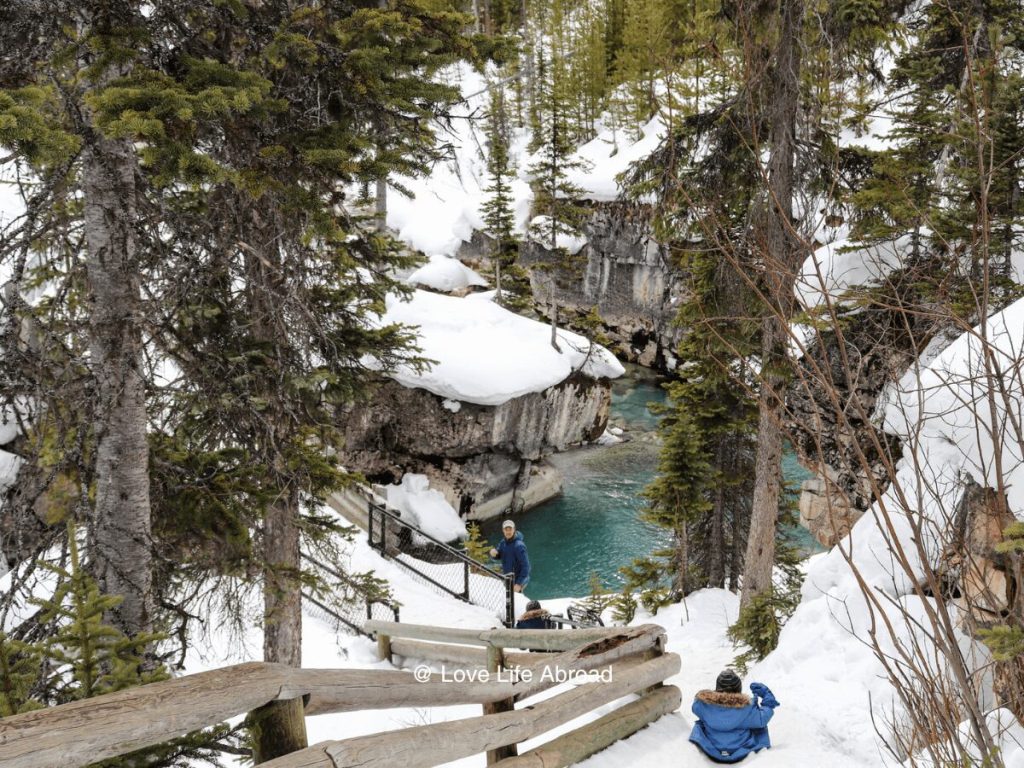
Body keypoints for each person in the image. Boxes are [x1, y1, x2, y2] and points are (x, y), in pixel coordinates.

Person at [689, 669, 779, 763]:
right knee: (758, 725)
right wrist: (767, 697)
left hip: (710, 749)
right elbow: (762, 718)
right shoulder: (748, 708)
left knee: (701, 723)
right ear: (739, 689)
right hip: (742, 751)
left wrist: (704, 695)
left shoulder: (703, 705)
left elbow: (695, 706)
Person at [489, 519, 530, 592]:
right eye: (506, 529)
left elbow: (526, 566)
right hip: (508, 578)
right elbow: (499, 555)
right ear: (503, 530)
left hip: (518, 580)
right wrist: (494, 554)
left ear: (514, 529)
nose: (508, 532)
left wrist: (519, 584)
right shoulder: (503, 542)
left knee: (517, 600)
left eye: (510, 529)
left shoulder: (519, 546)